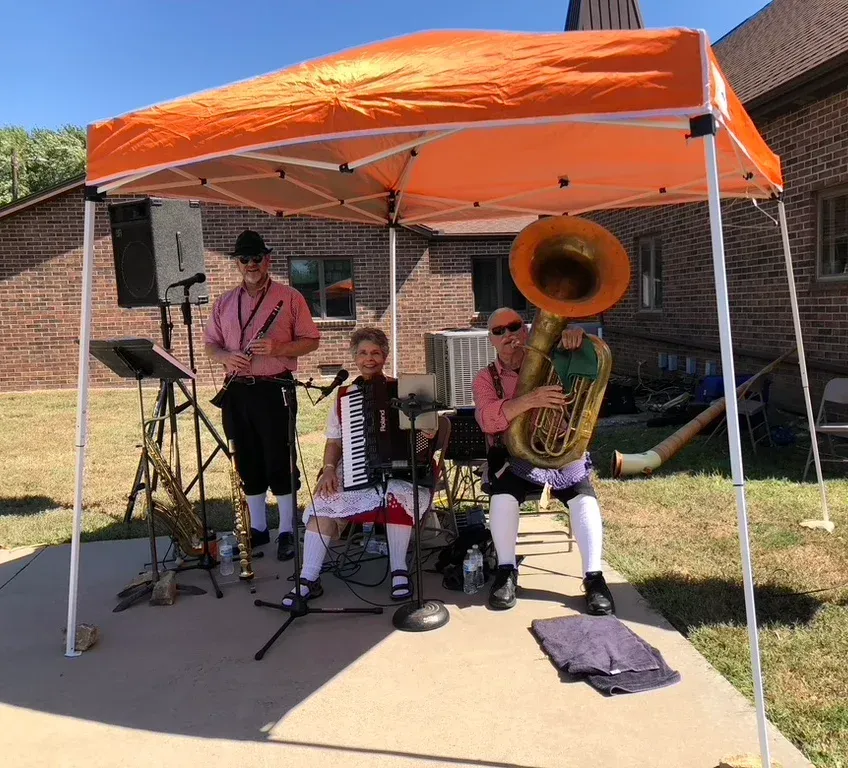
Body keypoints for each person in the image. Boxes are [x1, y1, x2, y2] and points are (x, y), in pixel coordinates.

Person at [472, 307, 614, 615]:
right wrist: (528, 400)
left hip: (558, 452)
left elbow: (590, 374)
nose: (508, 336)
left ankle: (594, 578)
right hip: (513, 455)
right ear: (491, 340)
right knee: (503, 497)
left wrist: (579, 342)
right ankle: (507, 571)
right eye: (499, 332)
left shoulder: (557, 357)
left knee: (584, 499)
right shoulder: (486, 378)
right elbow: (487, 420)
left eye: (513, 328)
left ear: (526, 331)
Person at [281, 326, 434, 607]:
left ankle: (399, 570)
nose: (369, 358)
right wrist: (328, 468)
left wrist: (426, 431)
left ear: (385, 356)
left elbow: (427, 432)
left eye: (375, 352)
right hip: (354, 466)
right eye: (363, 353)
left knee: (397, 496)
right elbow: (335, 439)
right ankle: (307, 578)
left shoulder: (405, 388)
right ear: (355, 358)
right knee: (325, 500)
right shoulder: (344, 395)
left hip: (399, 470)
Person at [204, 229, 320, 561]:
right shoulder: (225, 301)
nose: (251, 264)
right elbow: (211, 345)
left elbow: (311, 340)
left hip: (274, 390)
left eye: (257, 258)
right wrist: (226, 357)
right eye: (245, 259)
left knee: (279, 459)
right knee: (247, 459)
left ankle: (286, 530)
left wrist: (278, 347)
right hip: (237, 391)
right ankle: (258, 529)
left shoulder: (289, 297)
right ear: (237, 263)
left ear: (267, 260)